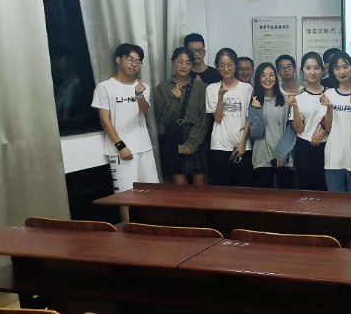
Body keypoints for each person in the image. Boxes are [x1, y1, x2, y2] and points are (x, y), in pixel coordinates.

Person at [91, 43, 159, 221]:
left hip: (144, 147)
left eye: (138, 61)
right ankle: (128, 228)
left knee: (152, 191)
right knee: (126, 195)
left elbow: (144, 110)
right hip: (120, 150)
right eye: (130, 59)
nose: (134, 64)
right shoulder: (105, 87)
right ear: (118, 60)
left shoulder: (142, 86)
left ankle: (152, 226)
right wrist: (120, 146)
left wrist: (139, 95)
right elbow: (104, 120)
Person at [155, 47, 208, 186]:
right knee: (179, 183)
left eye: (188, 63)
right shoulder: (163, 87)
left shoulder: (199, 87)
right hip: (174, 136)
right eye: (180, 61)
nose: (184, 66)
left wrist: (192, 142)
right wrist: (174, 100)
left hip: (195, 135)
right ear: (173, 62)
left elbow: (203, 118)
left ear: (192, 66)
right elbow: (164, 119)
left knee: (200, 182)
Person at [205, 48, 253, 187]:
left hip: (243, 145)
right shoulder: (211, 89)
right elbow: (217, 118)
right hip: (219, 145)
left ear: (235, 66)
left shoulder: (246, 88)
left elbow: (249, 118)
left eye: (230, 64)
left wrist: (242, 143)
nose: (226, 69)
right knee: (221, 189)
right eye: (222, 65)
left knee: (243, 187)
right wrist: (220, 97)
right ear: (217, 66)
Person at [248, 63, 295, 189]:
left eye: (271, 75)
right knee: (264, 197)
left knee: (285, 196)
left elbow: (291, 130)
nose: (267, 78)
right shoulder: (254, 101)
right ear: (258, 79)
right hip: (262, 157)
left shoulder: (286, 100)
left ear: (276, 77)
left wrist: (282, 154)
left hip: (284, 156)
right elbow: (256, 133)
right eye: (263, 75)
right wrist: (256, 110)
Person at [323, 51, 351, 192]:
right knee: (335, 202)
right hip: (333, 158)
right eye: (337, 68)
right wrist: (329, 108)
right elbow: (327, 128)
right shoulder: (328, 94)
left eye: (345, 67)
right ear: (332, 72)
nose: (342, 71)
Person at [290, 52, 329, 191]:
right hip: (304, 148)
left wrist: (323, 131)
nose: (312, 72)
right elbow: (298, 129)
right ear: (302, 71)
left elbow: (335, 119)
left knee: (325, 189)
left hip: (327, 146)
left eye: (316, 68)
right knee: (306, 190)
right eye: (308, 68)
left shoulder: (330, 93)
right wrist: (295, 108)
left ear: (322, 71)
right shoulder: (298, 97)